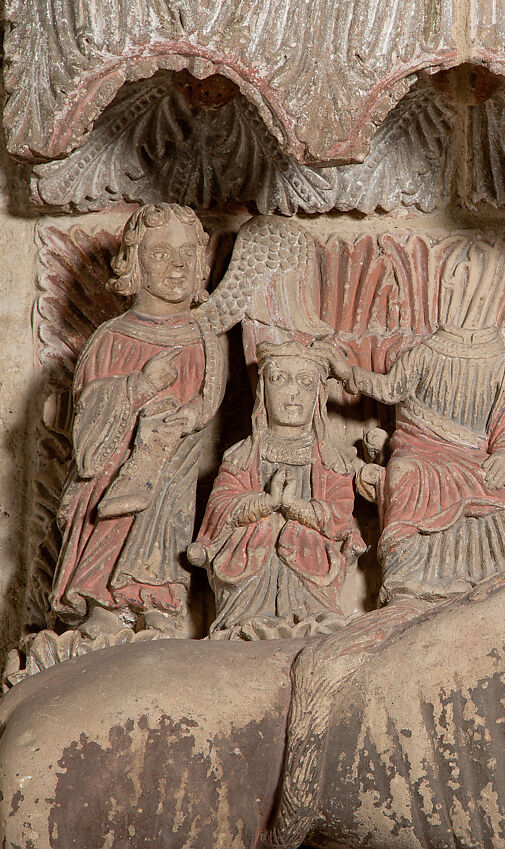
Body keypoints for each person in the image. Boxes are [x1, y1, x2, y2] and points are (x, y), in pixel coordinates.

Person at [52, 203, 226, 638]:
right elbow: (88, 412)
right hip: (115, 466)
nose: (178, 264)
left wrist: (185, 418)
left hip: (175, 464)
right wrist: (139, 388)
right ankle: (102, 599)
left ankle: (158, 600)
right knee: (110, 514)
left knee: (166, 519)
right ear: (134, 264)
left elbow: (211, 400)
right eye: (161, 253)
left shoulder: (205, 336)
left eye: (188, 253)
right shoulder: (112, 337)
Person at [326, 325, 505, 604]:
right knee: (402, 473)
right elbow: (390, 388)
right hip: (420, 446)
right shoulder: (426, 352)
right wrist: (348, 374)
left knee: (501, 480)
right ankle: (405, 580)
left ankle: (491, 576)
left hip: (474, 455)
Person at [192, 341, 365, 636]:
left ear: (318, 396)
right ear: (262, 391)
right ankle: (246, 618)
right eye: (279, 379)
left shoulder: (331, 459)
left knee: (300, 533)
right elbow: (220, 506)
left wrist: (297, 509)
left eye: (305, 382)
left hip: (309, 554)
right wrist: (265, 504)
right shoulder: (242, 454)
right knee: (261, 527)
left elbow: (340, 514)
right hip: (250, 554)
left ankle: (309, 614)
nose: (292, 391)